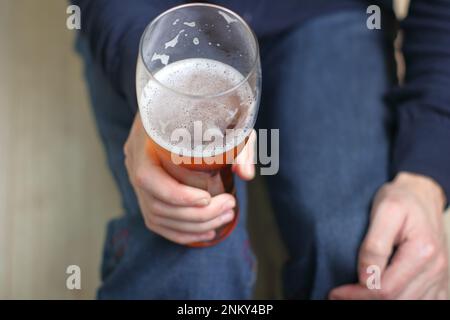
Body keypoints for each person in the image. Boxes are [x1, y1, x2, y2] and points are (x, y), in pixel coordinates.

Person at [74, 0, 450, 299]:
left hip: (332, 10)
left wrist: (424, 178)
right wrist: (153, 91)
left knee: (365, 257)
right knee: (192, 268)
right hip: (152, 15)